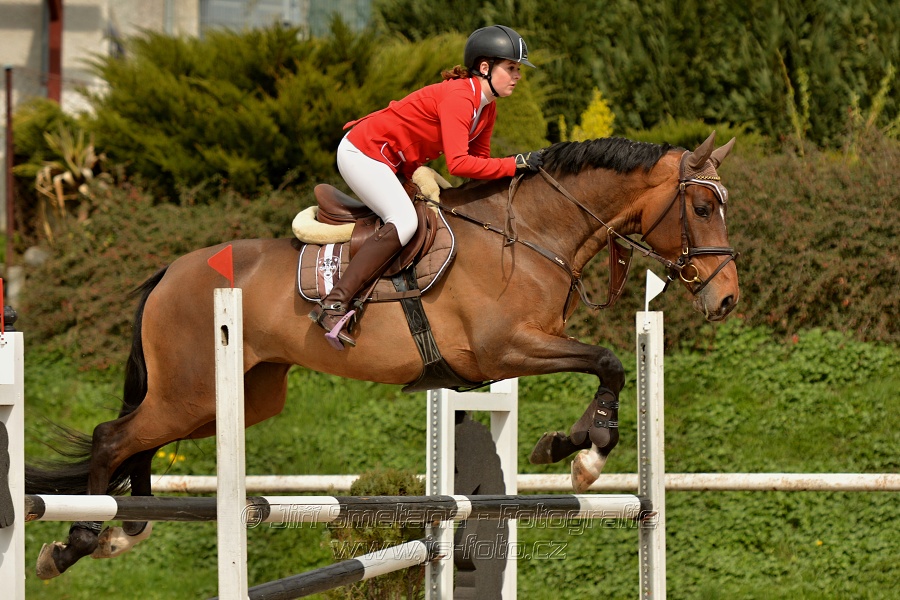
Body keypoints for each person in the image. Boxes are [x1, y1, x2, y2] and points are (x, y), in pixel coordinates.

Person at [309, 24, 545, 350]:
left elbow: (481, 165)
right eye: (511, 68)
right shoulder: (461, 97)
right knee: (405, 221)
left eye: (519, 69)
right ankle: (334, 304)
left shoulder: (486, 109)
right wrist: (515, 163)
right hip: (362, 152)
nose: (517, 75)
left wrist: (521, 175)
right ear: (485, 68)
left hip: (390, 162)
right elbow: (460, 163)